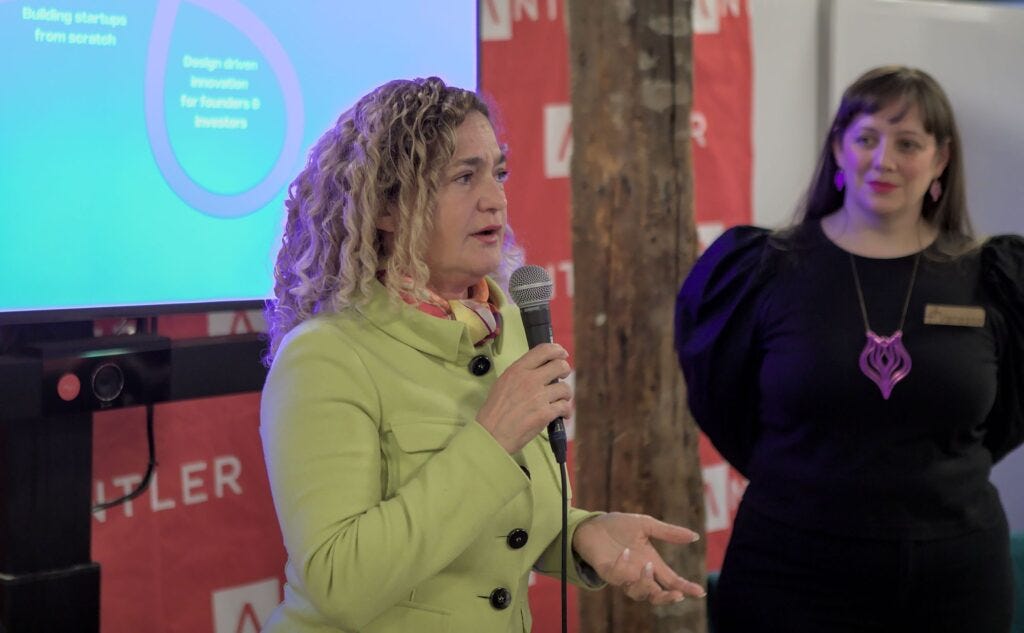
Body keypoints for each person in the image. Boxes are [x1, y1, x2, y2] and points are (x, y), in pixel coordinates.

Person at [260, 76, 706, 633]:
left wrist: (580, 534)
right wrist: (492, 437)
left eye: (497, 172)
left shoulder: (510, 326)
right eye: (463, 176)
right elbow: (340, 584)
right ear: (386, 208)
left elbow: (490, 524)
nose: (495, 198)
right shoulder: (325, 355)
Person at [676, 65, 1023, 632]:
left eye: (908, 143)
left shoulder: (994, 278)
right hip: (789, 570)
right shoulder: (762, 272)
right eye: (866, 138)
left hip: (954, 576)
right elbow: (722, 401)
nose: (883, 160)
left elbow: (1007, 414)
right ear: (839, 148)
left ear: (940, 160)